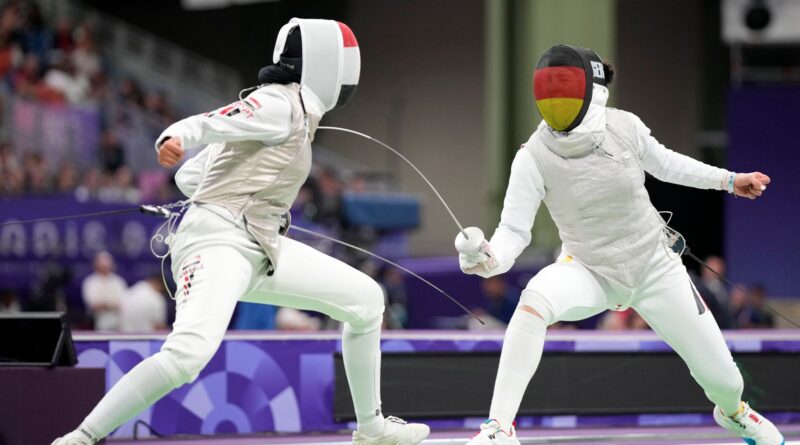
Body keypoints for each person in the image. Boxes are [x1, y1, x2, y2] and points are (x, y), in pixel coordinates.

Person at [53, 19, 429, 445]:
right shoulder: (278, 104)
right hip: (217, 243)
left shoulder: (298, 114)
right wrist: (175, 135)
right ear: (326, 64)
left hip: (260, 244)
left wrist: (230, 183)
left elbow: (191, 176)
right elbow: (210, 122)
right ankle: (81, 438)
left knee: (365, 301)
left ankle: (372, 429)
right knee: (187, 356)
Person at [455, 44, 783, 445]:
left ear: (592, 92)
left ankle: (735, 414)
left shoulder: (623, 127)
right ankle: (498, 428)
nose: (557, 103)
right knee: (533, 301)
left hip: (654, 266)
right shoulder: (533, 156)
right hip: (588, 268)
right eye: (549, 94)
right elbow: (514, 231)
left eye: (566, 93)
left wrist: (729, 180)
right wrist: (488, 257)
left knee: (725, 380)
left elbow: (666, 164)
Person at [81, 251, 127, 331]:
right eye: (102, 265)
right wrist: (110, 305)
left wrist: (105, 304)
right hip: (97, 324)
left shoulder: (118, 281)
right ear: (96, 265)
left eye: (107, 265)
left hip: (118, 324)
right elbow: (93, 305)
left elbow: (123, 303)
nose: (105, 268)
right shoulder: (90, 282)